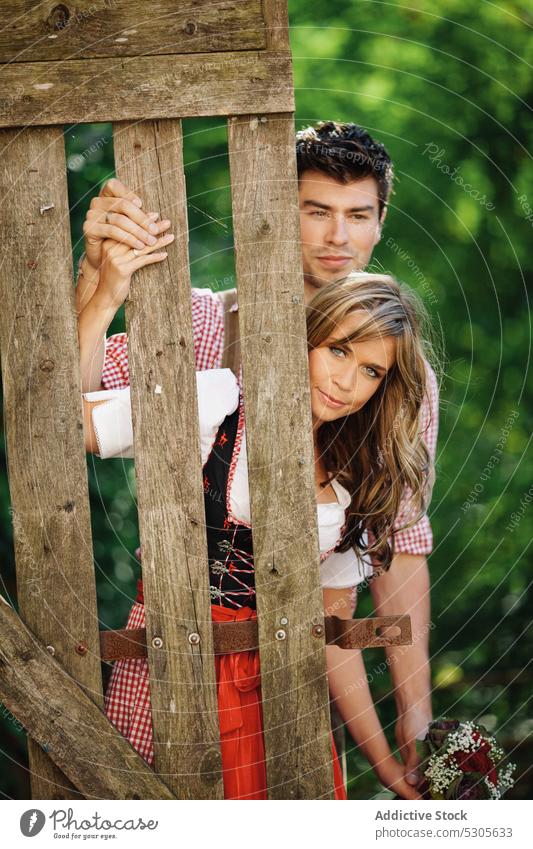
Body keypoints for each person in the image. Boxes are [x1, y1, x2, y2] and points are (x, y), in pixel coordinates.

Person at [76, 121, 439, 789]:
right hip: (177, 650)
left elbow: (395, 548)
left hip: (285, 686)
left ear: (379, 222)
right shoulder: (210, 327)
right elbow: (78, 399)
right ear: (277, 208)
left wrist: (414, 724)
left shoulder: (398, 383)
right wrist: (97, 278)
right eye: (315, 211)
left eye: (357, 215)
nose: (337, 236)